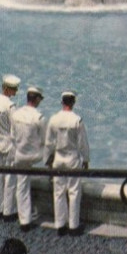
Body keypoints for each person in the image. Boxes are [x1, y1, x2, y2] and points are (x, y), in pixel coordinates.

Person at [44, 91, 90, 237]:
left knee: (58, 192)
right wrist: (86, 159)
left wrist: (48, 159)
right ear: (73, 103)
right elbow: (83, 143)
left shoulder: (54, 119)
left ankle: (60, 224)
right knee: (74, 192)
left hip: (58, 158)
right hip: (72, 158)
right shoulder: (77, 120)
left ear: (62, 102)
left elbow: (49, 142)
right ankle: (73, 225)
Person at [10, 86, 47, 231]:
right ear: (37, 99)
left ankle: (23, 218)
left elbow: (13, 136)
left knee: (21, 185)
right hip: (34, 156)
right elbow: (45, 140)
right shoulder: (39, 117)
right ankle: (25, 220)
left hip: (19, 154)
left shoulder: (16, 114)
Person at [0, 74, 20, 221]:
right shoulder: (10, 106)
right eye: (14, 89)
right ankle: (8, 211)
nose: (16, 91)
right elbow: (15, 128)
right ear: (7, 89)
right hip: (9, 145)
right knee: (10, 179)